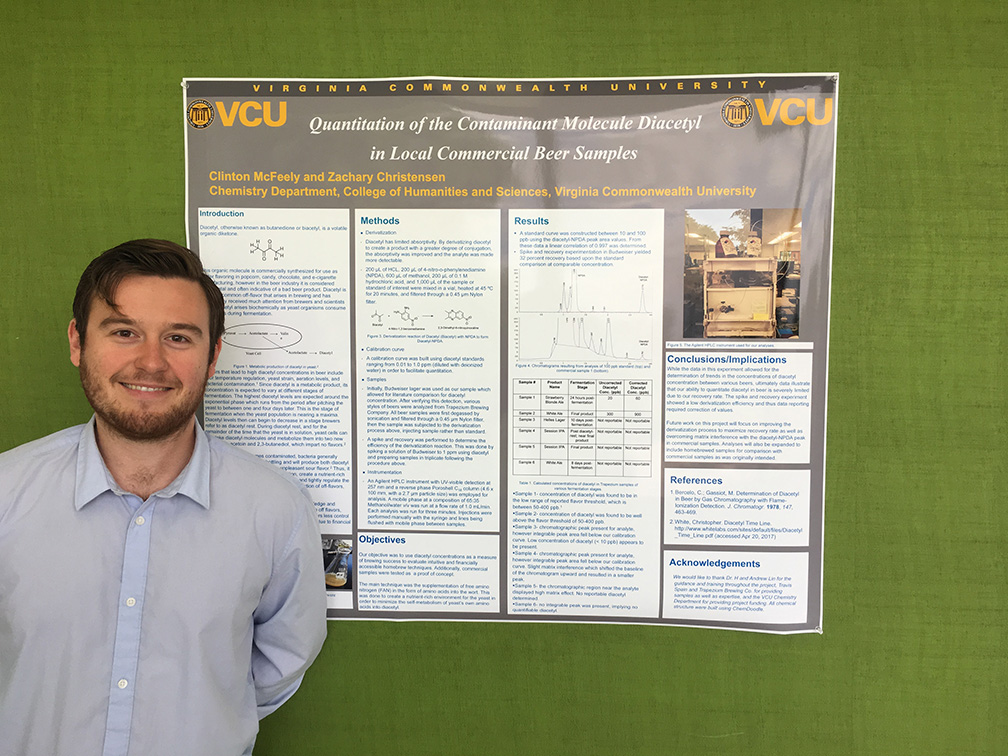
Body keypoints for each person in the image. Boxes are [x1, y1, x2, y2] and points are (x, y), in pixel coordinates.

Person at [0, 239, 327, 756]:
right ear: (77, 342)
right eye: (124, 332)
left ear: (213, 355)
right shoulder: (6, 493)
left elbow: (279, 665)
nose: (150, 362)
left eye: (178, 337)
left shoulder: (276, 512)